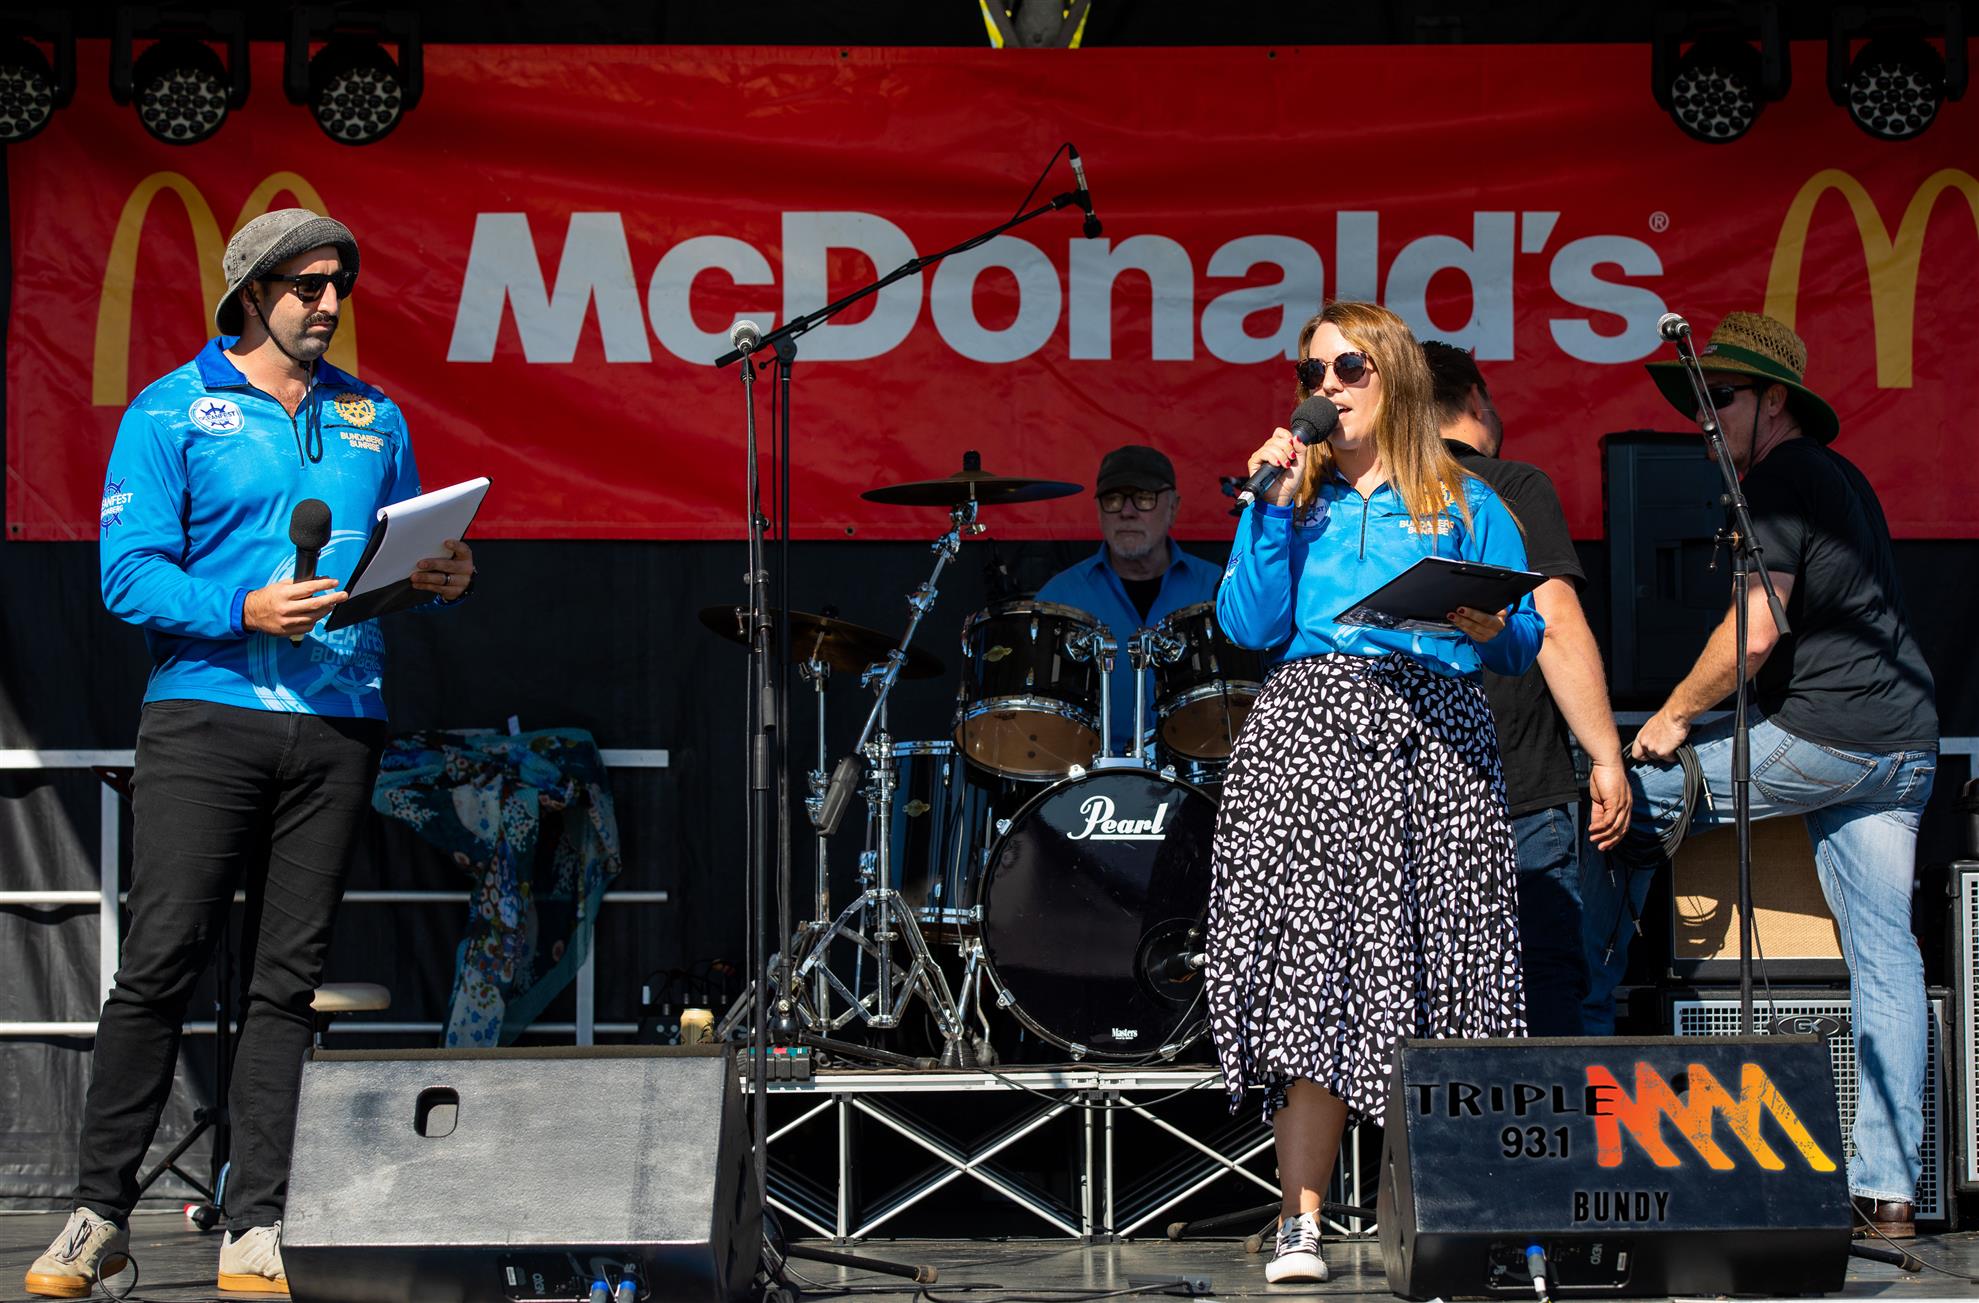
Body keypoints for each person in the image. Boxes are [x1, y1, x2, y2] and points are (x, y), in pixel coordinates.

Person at [28, 210, 477, 1299]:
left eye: (337, 286)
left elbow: (389, 558)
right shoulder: (170, 407)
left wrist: (435, 576)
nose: (326, 303)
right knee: (159, 963)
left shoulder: (373, 415)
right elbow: (128, 574)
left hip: (339, 721)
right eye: (304, 285)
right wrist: (244, 607)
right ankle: (97, 1213)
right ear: (247, 293)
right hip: (205, 714)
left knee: (287, 983)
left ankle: (255, 1221)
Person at [1579, 311, 1937, 1239]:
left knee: (1625, 791)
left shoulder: (1781, 478)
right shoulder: (1836, 477)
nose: (1704, 421)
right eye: (1697, 405)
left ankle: (1580, 1037)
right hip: (1900, 746)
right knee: (1887, 960)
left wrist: (1669, 717)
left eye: (1722, 399)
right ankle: (1888, 1192)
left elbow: (1755, 630)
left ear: (1774, 402)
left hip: (1833, 734)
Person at [1205, 301, 1542, 1284]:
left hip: (1434, 743)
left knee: (1447, 969)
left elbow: (1524, 637)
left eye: (1347, 369)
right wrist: (1270, 507)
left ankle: (1448, 1216)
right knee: (1312, 973)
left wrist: (1493, 627)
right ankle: (1299, 1222)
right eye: (1311, 372)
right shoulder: (1288, 496)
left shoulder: (1464, 498)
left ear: (1392, 376)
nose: (1326, 388)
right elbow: (1248, 625)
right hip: (1310, 738)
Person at [1422, 341, 1631, 1035]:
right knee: (1540, 980)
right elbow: (1557, 625)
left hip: (1410, 786)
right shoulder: (1513, 485)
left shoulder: (1370, 499)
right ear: (1475, 400)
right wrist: (1605, 756)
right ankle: (1548, 1112)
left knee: (1417, 992)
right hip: (1517, 784)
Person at [1035, 444, 1222, 756]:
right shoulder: (1058, 599)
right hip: (1089, 778)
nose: (1127, 511)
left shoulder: (1218, 589)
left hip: (1201, 772)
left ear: (1174, 507)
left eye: (1144, 498)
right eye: (1113, 499)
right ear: (1098, 511)